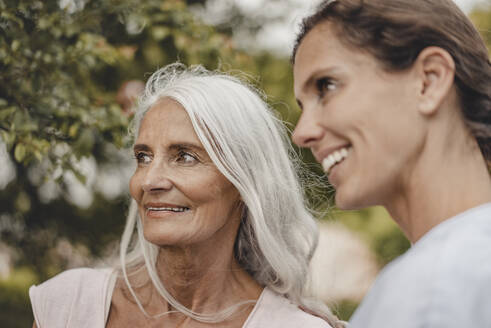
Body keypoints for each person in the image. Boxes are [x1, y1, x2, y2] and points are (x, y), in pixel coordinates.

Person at [29, 64, 342, 327]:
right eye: (143, 156)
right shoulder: (67, 306)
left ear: (243, 183)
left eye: (185, 157)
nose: (149, 180)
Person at [291, 0, 491, 327]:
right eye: (302, 105)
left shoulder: (435, 287)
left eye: (326, 86)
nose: (302, 132)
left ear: (429, 80)